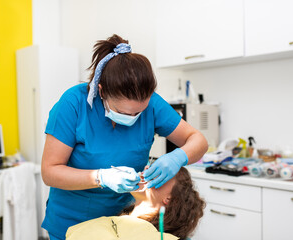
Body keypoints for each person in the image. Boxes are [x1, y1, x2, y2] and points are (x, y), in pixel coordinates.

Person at [41, 34, 208, 240]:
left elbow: (198, 140)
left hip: (122, 220)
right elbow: (50, 172)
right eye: (126, 112)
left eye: (140, 112)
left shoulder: (153, 105)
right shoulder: (73, 104)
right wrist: (100, 178)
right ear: (101, 91)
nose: (135, 118)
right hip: (72, 222)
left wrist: (177, 157)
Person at [65, 167, 206, 240]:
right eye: (150, 166)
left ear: (169, 198)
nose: (146, 169)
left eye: (159, 174)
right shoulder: (114, 222)